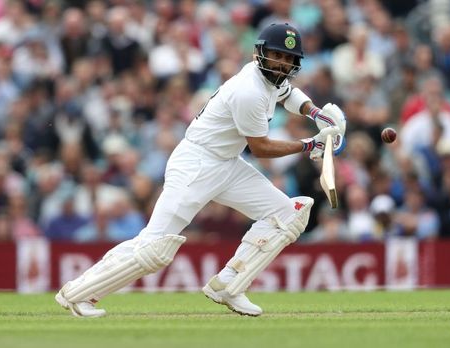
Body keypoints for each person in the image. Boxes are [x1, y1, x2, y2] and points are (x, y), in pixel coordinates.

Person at [55, 23, 346, 318]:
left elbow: (288, 94)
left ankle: (229, 285)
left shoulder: (271, 79)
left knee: (289, 213)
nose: (281, 63)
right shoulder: (249, 91)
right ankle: (78, 293)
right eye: (276, 55)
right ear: (260, 53)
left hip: (227, 164)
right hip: (196, 164)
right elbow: (261, 149)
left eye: (288, 58)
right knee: (154, 247)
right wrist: (310, 146)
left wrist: (316, 114)